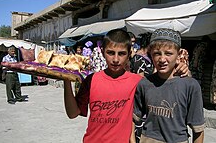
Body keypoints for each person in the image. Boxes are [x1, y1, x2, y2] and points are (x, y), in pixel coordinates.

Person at [62, 28, 190, 143]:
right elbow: (73, 113)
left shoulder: (138, 81)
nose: (116, 59)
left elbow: (166, 82)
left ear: (130, 53)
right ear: (102, 52)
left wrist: (184, 71)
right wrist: (66, 80)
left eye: (121, 53)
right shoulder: (91, 80)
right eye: (110, 53)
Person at [132, 28, 204, 143]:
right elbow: (133, 118)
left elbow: (198, 129)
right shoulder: (144, 84)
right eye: (157, 53)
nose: (162, 59)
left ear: (178, 54)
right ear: (150, 54)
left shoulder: (190, 86)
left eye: (168, 53)